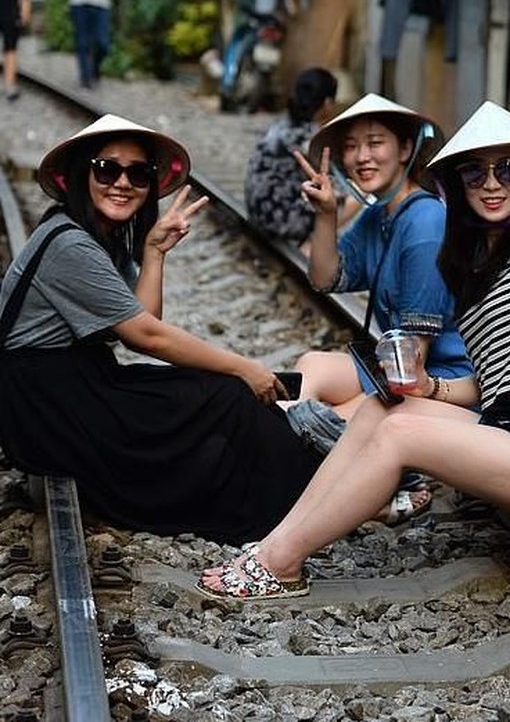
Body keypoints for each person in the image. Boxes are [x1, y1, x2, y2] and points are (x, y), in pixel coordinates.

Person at [196, 97, 510, 600]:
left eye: (508, 170)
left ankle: (281, 561)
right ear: (458, 183)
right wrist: (429, 387)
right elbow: (493, 378)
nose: (492, 184)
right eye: (475, 173)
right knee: (382, 407)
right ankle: (277, 543)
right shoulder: (469, 267)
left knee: (402, 433)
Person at [0, 113, 322, 544]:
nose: (123, 182)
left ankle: (304, 493)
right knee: (224, 393)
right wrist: (243, 366)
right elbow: (147, 338)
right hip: (47, 403)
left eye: (139, 173)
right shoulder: (70, 244)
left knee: (214, 394)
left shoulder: (97, 238)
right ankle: (304, 503)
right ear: (82, 174)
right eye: (107, 168)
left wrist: (154, 252)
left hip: (73, 385)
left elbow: (144, 321)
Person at [288, 93, 473, 426]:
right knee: (312, 366)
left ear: (404, 149)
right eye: (350, 146)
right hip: (397, 366)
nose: (362, 157)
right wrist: (326, 214)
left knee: (324, 422)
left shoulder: (426, 223)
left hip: (441, 382)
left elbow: (412, 362)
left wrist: (346, 410)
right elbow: (323, 278)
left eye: (375, 143)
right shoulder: (377, 215)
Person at [245, 67, 351, 252]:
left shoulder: (281, 125)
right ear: (327, 103)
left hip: (257, 213)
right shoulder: (310, 138)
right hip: (280, 222)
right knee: (357, 193)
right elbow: (336, 187)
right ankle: (313, 246)